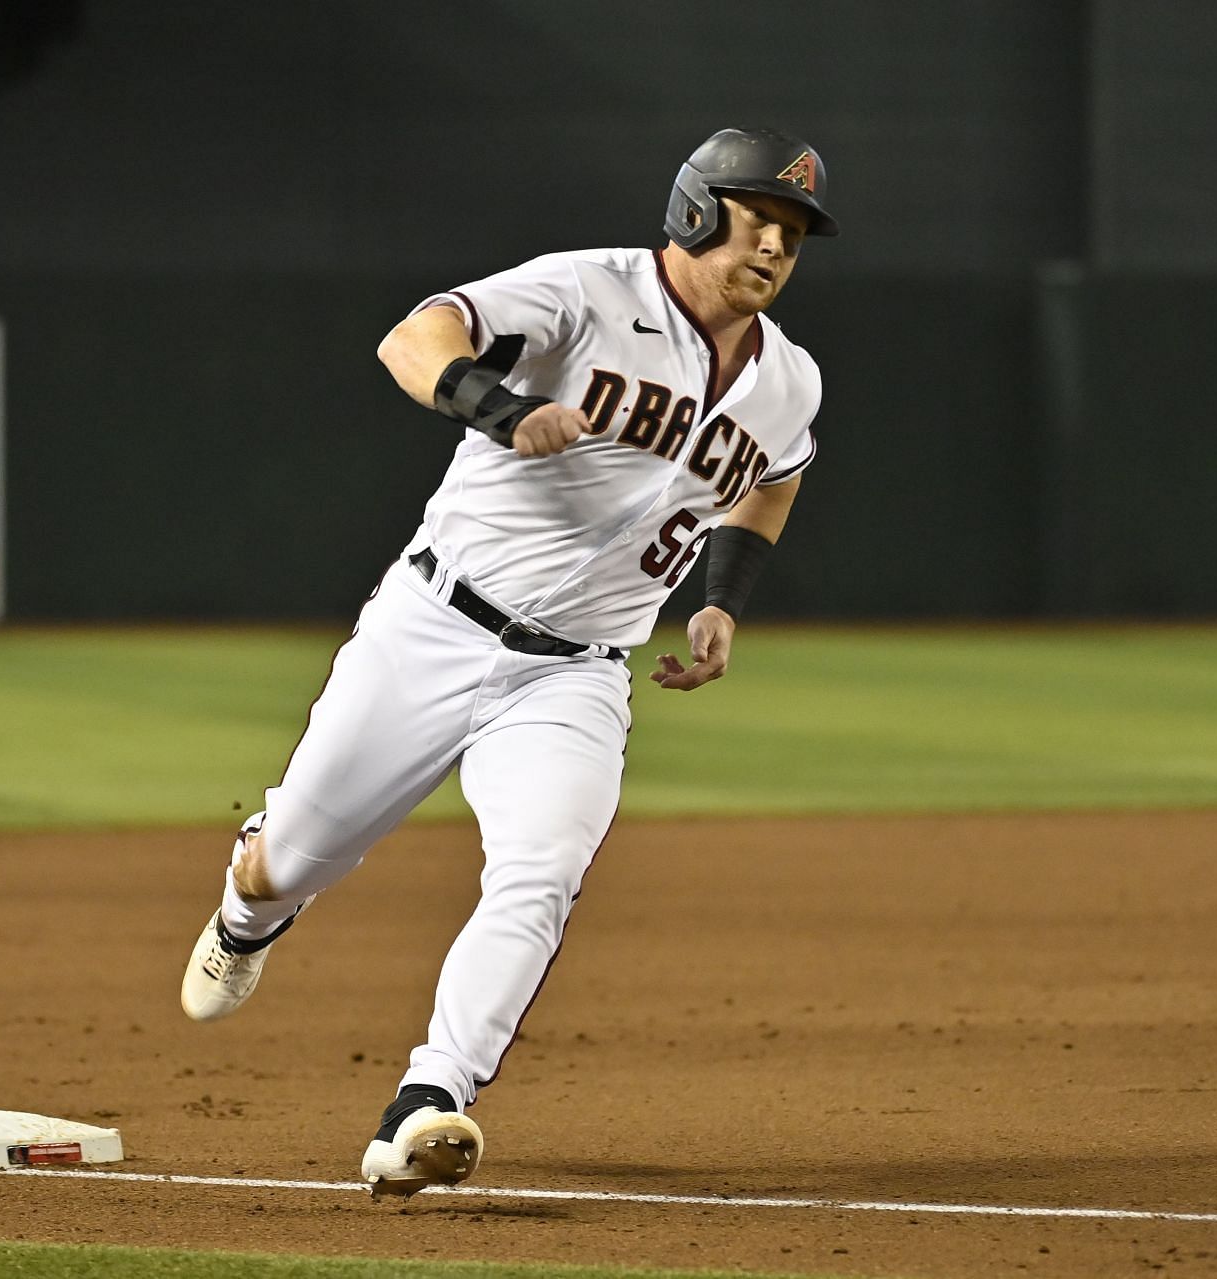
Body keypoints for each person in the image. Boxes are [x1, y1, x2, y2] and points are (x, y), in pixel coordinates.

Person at [179, 126, 838, 1198]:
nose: (775, 244)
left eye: (795, 232)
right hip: (432, 627)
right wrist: (496, 403)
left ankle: (429, 1101)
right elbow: (416, 336)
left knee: (542, 869)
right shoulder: (584, 291)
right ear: (695, 211)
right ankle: (253, 906)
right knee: (286, 862)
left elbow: (777, 476)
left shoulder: (788, 381)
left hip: (576, 673)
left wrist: (723, 599)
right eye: (759, 216)